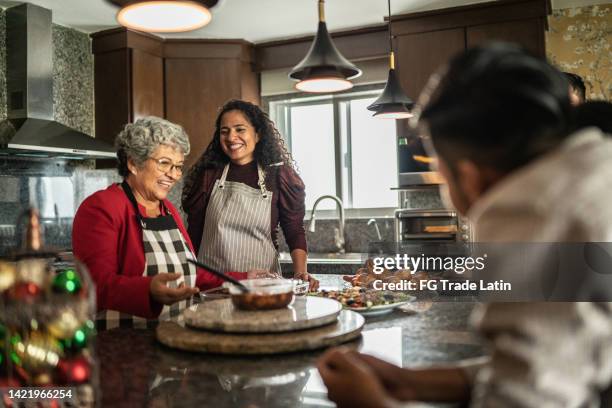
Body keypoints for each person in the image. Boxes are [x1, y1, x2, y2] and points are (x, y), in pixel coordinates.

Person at [318, 43, 612, 407]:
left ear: (469, 177)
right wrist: (410, 382)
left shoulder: (531, 209)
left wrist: (372, 403)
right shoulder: (591, 171)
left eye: (438, 169)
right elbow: (544, 367)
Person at [73, 117, 266, 329]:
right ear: (134, 163)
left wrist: (245, 278)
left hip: (176, 335)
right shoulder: (102, 207)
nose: (173, 175)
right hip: (124, 342)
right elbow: (94, 286)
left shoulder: (168, 210)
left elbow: (189, 272)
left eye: (178, 166)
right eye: (164, 163)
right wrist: (148, 291)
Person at [182, 100, 318, 289]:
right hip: (214, 287)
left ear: (258, 134)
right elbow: (194, 232)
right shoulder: (208, 175)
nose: (231, 137)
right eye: (224, 131)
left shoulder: (279, 176)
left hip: (263, 287)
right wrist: (189, 276)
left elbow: (294, 229)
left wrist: (300, 272)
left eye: (240, 129)